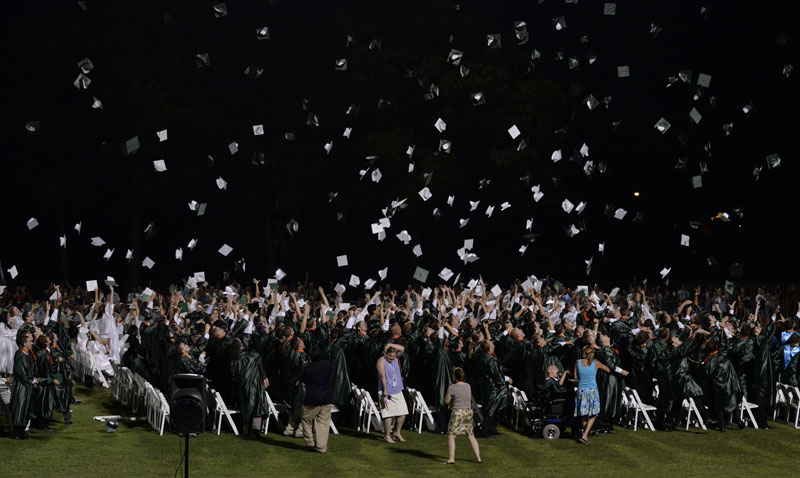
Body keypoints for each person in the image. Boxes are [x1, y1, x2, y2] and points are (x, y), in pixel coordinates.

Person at [573, 345, 628, 444]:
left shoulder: (578, 362)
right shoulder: (595, 363)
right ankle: (585, 435)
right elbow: (608, 369)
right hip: (592, 390)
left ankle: (585, 433)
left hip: (582, 390)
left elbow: (576, 377)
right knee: (593, 414)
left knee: (583, 414)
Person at [443, 367, 481, 464]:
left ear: (455, 377)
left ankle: (451, 458)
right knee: (471, 435)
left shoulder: (452, 387)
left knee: (452, 435)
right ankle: (478, 458)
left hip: (458, 412)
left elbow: (446, 401)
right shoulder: (468, 386)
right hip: (468, 412)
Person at [300, 345, 333, 453]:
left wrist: (305, 366)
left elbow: (303, 379)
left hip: (312, 399)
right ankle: (321, 447)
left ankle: (310, 443)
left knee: (306, 420)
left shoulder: (308, 369)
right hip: (326, 399)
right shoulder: (327, 365)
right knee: (323, 424)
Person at [377, 342, 408, 443]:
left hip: (397, 390)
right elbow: (382, 377)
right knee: (388, 414)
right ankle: (387, 435)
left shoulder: (395, 359)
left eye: (393, 356)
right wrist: (385, 390)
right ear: (386, 353)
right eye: (390, 356)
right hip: (385, 392)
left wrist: (390, 344)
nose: (392, 358)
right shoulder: (381, 361)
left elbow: (402, 348)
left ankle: (397, 432)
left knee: (403, 413)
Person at [10, 330, 36, 439]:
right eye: (30, 341)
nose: (32, 343)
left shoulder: (26, 354)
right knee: (20, 408)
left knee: (25, 409)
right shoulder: (20, 355)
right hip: (21, 387)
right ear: (25, 343)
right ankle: (17, 432)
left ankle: (21, 431)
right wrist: (32, 381)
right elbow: (21, 373)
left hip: (26, 387)